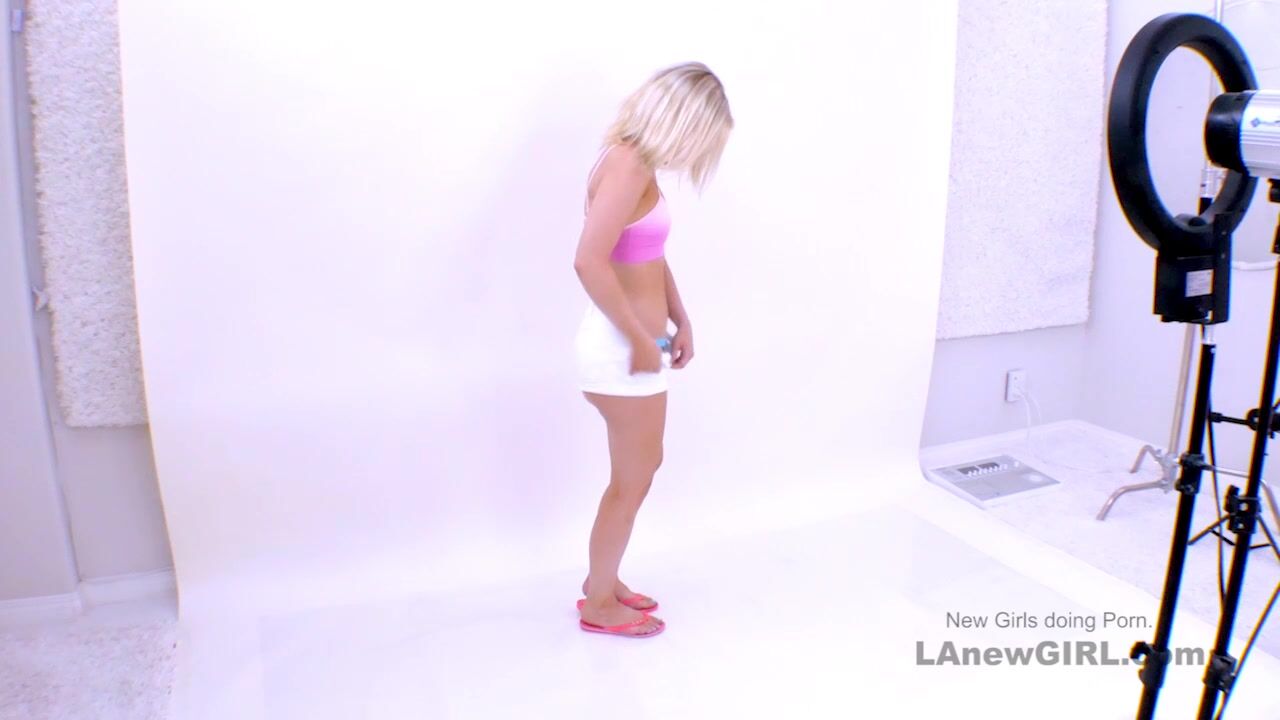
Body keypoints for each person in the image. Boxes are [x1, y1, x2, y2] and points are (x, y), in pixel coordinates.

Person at [572, 62, 733, 638]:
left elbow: (648, 255)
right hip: (621, 351)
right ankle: (598, 604)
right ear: (682, 121)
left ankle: (604, 580)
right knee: (631, 480)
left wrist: (679, 318)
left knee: (641, 469)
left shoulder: (639, 166)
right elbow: (588, 261)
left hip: (640, 347)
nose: (696, 153)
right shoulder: (626, 165)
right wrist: (641, 338)